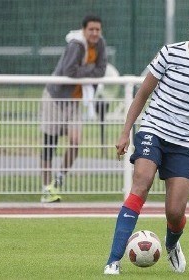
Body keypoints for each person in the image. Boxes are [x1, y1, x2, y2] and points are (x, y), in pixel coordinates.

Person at [104, 6, 189, 275]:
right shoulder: (169, 53)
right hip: (154, 130)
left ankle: (172, 246)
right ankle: (113, 260)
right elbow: (142, 94)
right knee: (141, 183)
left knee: (174, 212)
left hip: (184, 142)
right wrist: (126, 132)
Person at [40, 15, 107, 203]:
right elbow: (68, 72)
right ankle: (46, 189)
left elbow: (101, 70)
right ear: (84, 30)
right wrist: (90, 70)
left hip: (75, 100)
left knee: (75, 142)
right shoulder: (76, 46)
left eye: (97, 29)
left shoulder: (100, 44)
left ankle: (58, 179)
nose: (94, 33)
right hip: (56, 98)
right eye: (91, 29)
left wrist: (86, 71)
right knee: (49, 143)